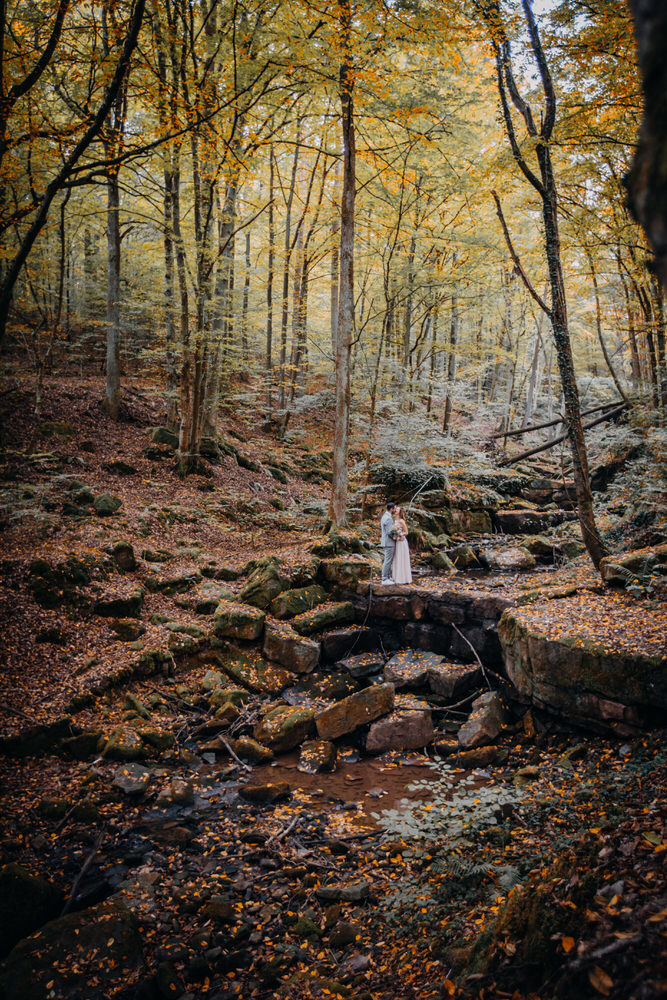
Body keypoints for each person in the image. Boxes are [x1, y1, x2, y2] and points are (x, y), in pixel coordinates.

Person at [392, 506, 412, 585]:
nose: (395, 510)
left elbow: (406, 532)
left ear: (400, 512)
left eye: (397, 509)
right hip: (397, 541)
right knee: (397, 558)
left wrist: (400, 534)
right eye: (395, 509)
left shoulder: (401, 521)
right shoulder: (395, 520)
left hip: (401, 541)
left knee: (401, 558)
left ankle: (403, 579)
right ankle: (396, 577)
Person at [380, 502, 397, 584]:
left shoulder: (385, 516)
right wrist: (396, 536)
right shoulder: (388, 518)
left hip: (387, 542)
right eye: (394, 509)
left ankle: (388, 577)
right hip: (389, 542)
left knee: (388, 560)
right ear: (391, 509)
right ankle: (384, 579)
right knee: (387, 561)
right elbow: (389, 532)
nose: (395, 510)